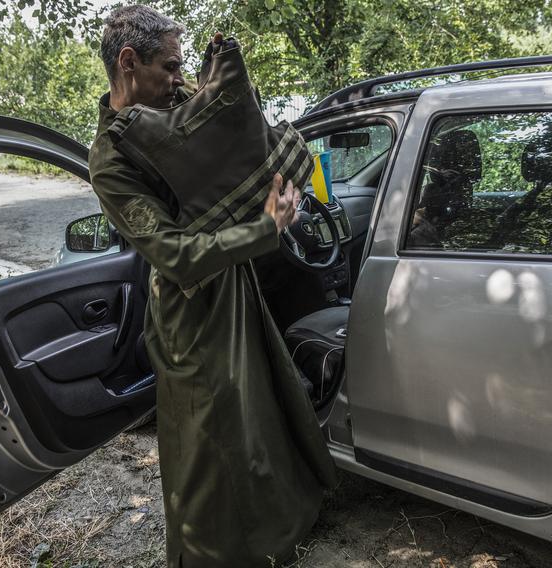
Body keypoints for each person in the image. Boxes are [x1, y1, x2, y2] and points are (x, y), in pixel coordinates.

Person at [88, 5, 337, 567]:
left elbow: (237, 138)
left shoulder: (178, 111)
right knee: (210, 448)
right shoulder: (110, 160)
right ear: (129, 62)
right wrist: (266, 226)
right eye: (170, 67)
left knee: (259, 422)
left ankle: (279, 536)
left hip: (237, 285)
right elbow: (174, 255)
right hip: (191, 316)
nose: (179, 80)